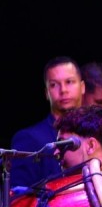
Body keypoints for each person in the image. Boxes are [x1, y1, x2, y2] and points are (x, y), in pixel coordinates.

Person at [10, 56, 85, 188]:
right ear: (46, 93)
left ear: (82, 87)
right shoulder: (29, 139)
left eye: (69, 82)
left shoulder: (98, 132)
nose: (63, 90)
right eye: (54, 85)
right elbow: (18, 195)